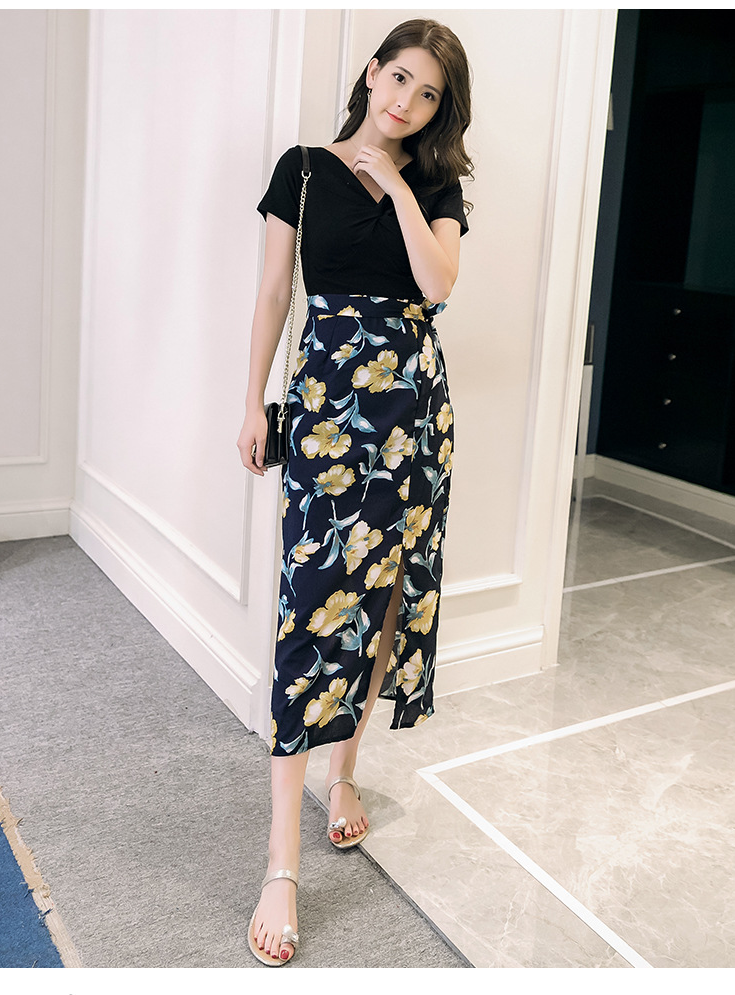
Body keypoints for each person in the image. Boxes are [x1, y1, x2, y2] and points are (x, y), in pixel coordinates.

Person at [236, 17, 473, 966]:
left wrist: (401, 188)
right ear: (372, 72)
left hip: (414, 417)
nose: (407, 102)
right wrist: (252, 402)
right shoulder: (301, 170)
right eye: (399, 78)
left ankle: (346, 772)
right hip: (329, 415)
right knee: (309, 616)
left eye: (428, 94)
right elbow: (273, 295)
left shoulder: (437, 185)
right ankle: (281, 860)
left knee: (382, 606)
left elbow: (438, 284)